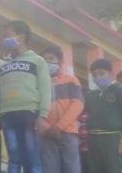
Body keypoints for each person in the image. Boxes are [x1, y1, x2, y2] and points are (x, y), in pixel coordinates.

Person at [0, 20, 50, 173]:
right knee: (14, 160)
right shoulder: (2, 65)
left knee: (33, 159)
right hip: (7, 116)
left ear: (22, 36)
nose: (5, 39)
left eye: (8, 35)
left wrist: (43, 115)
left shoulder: (38, 61)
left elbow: (45, 89)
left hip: (30, 114)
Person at [84, 59, 122, 173]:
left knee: (113, 168)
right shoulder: (90, 95)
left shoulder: (120, 90)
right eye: (94, 75)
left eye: (101, 73)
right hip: (93, 138)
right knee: (94, 169)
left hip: (112, 139)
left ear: (110, 74)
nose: (98, 77)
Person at [41, 45, 84, 173]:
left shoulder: (71, 80)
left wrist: (59, 126)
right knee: (50, 169)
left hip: (68, 132)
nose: (47, 62)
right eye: (44, 59)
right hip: (47, 133)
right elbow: (37, 107)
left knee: (71, 168)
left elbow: (78, 105)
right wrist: (46, 127)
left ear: (60, 61)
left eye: (51, 58)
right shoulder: (40, 82)